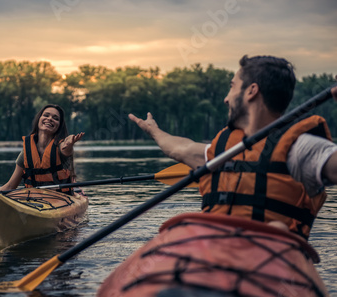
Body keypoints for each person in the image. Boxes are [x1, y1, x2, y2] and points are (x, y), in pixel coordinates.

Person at [129, 55, 337, 239]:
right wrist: (154, 131)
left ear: (251, 91)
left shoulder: (302, 149)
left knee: (277, 228)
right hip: (214, 262)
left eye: (232, 86)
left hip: (270, 269)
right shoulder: (223, 151)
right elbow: (180, 149)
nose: (226, 99)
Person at [0, 104, 84, 194]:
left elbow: (66, 150)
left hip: (61, 199)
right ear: (39, 119)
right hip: (33, 200)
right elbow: (11, 186)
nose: (50, 119)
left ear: (59, 126)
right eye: (46, 115)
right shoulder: (26, 153)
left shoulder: (62, 146)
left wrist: (69, 144)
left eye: (55, 118)